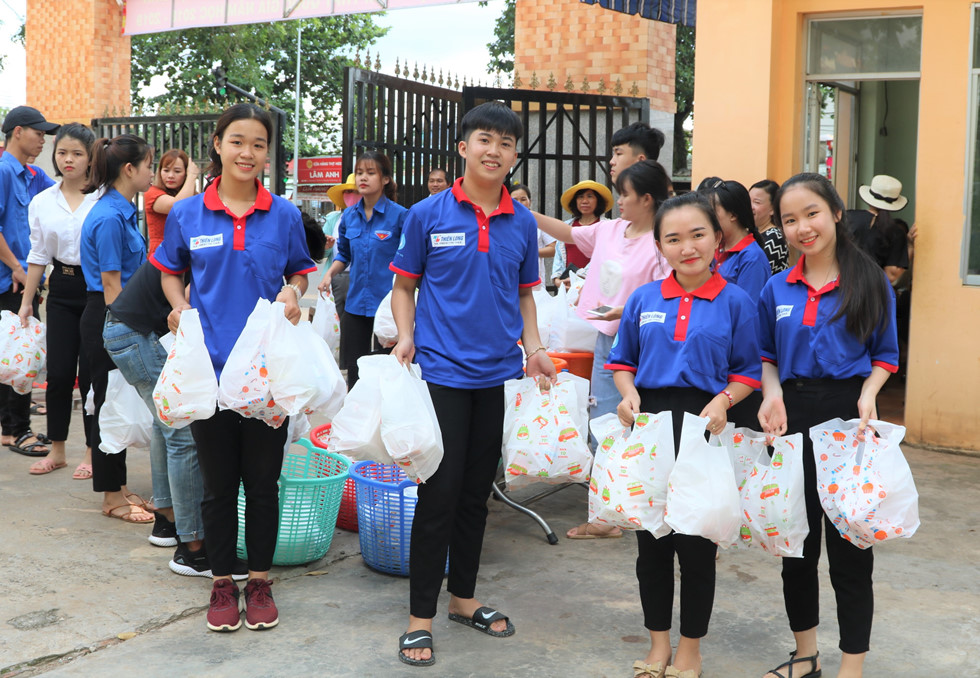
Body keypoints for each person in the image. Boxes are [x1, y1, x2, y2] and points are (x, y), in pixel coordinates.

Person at [389, 101, 556, 667]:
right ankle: (419, 619)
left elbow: (526, 294)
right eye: (484, 139)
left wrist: (533, 349)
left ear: (514, 156)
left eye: (506, 144)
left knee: (476, 498)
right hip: (440, 373)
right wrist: (406, 336)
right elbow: (404, 287)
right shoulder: (428, 214)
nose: (495, 151)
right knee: (437, 495)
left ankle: (463, 597)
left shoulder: (521, 222)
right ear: (463, 148)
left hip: (497, 376)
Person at [152, 103, 316, 632]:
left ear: (268, 154)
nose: (248, 153)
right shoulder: (187, 214)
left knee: (264, 483)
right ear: (218, 145)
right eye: (238, 141)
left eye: (259, 144)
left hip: (265, 375)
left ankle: (261, 580)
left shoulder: (285, 215)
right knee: (219, 485)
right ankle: (223, 583)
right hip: (210, 372)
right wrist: (177, 307)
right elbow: (170, 273)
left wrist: (293, 292)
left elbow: (299, 273)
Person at [607, 192, 761, 678]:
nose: (687, 247)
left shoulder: (736, 301)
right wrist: (627, 393)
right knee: (650, 544)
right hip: (650, 425)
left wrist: (725, 400)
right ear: (659, 245)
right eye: (673, 238)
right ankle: (658, 646)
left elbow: (747, 371)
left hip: (705, 429)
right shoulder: (644, 298)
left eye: (698, 234)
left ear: (717, 237)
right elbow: (622, 362)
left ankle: (690, 649)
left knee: (697, 547)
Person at [757, 173, 899, 678]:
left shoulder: (869, 280)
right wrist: (772, 393)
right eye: (789, 220)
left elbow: (885, 354)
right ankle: (806, 655)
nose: (802, 228)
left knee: (851, 548)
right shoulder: (777, 287)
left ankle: (852, 667)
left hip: (849, 418)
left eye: (811, 213)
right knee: (795, 545)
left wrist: (868, 393)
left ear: (837, 213)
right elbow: (767, 356)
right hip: (791, 419)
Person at [533, 160, 672, 539]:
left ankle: (626, 509)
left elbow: (666, 295)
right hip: (608, 337)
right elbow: (568, 233)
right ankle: (610, 512)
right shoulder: (610, 230)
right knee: (606, 422)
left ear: (646, 199)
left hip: (644, 344)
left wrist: (625, 310)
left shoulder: (662, 242)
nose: (619, 201)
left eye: (625, 194)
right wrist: (528, 214)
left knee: (635, 423)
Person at [80, 133, 155, 524]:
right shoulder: (110, 217)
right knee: (108, 405)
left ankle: (119, 485)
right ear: (130, 169)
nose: (152, 173)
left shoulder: (121, 209)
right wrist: (132, 331)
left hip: (119, 315)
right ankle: (111, 496)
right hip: (111, 316)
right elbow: (112, 285)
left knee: (118, 403)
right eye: (149, 165)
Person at [19, 123, 98, 478]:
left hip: (97, 290)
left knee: (95, 376)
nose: (69, 160)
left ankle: (93, 453)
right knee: (61, 373)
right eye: (63, 152)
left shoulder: (104, 197)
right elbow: (37, 255)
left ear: (90, 158)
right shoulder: (42, 201)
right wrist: (26, 301)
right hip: (61, 291)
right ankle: (58, 449)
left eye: (77, 154)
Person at [317, 151, 407, 387]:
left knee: (388, 368)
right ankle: (356, 416)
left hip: (388, 306)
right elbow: (344, 254)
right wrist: (328, 275)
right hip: (356, 302)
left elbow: (410, 259)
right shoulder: (348, 217)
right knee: (355, 367)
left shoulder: (400, 216)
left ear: (385, 179)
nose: (362, 178)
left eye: (370, 173)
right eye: (359, 173)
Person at [0, 106, 59, 459]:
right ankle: (17, 430)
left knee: (11, 355)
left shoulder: (28, 173)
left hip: (21, 278)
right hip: (13, 281)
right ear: (18, 132)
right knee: (22, 356)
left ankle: (9, 427)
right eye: (38, 132)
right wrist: (19, 270)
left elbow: (65, 189)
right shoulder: (5, 172)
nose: (43, 139)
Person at [699, 178, 771, 300]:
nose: (707, 220)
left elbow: (747, 309)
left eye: (712, 213)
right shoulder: (716, 247)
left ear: (733, 215)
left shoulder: (752, 258)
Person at [846, 174, 910, 285]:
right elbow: (891, 275)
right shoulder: (897, 232)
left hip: (841, 289)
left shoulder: (847, 217)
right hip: (872, 293)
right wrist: (910, 247)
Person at [551, 180, 612, 287]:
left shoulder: (607, 227)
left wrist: (579, 277)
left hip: (597, 286)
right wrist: (557, 280)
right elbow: (558, 257)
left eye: (590, 196)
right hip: (567, 288)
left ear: (598, 201)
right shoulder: (566, 226)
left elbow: (606, 257)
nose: (584, 201)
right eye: (580, 197)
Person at [143, 149, 200, 254]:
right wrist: (192, 176)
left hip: (187, 253)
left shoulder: (193, 196)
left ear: (185, 173)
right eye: (166, 170)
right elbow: (177, 206)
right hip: (162, 254)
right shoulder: (152, 193)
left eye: (177, 171)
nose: (170, 176)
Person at [322, 173, 358, 317]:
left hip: (359, 280)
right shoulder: (334, 219)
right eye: (348, 191)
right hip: (335, 279)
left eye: (356, 191)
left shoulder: (372, 220)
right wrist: (327, 246)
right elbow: (321, 253)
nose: (352, 195)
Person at [510, 183, 555, 288]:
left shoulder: (538, 221)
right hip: (509, 279)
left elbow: (553, 249)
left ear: (530, 202)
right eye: (515, 200)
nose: (519, 203)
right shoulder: (501, 222)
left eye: (523, 199)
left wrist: (530, 252)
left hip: (535, 281)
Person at [749, 179, 789, 275]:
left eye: (756, 202)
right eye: (748, 201)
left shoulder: (775, 238)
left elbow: (756, 274)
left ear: (773, 209)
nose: (750, 207)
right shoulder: (754, 232)